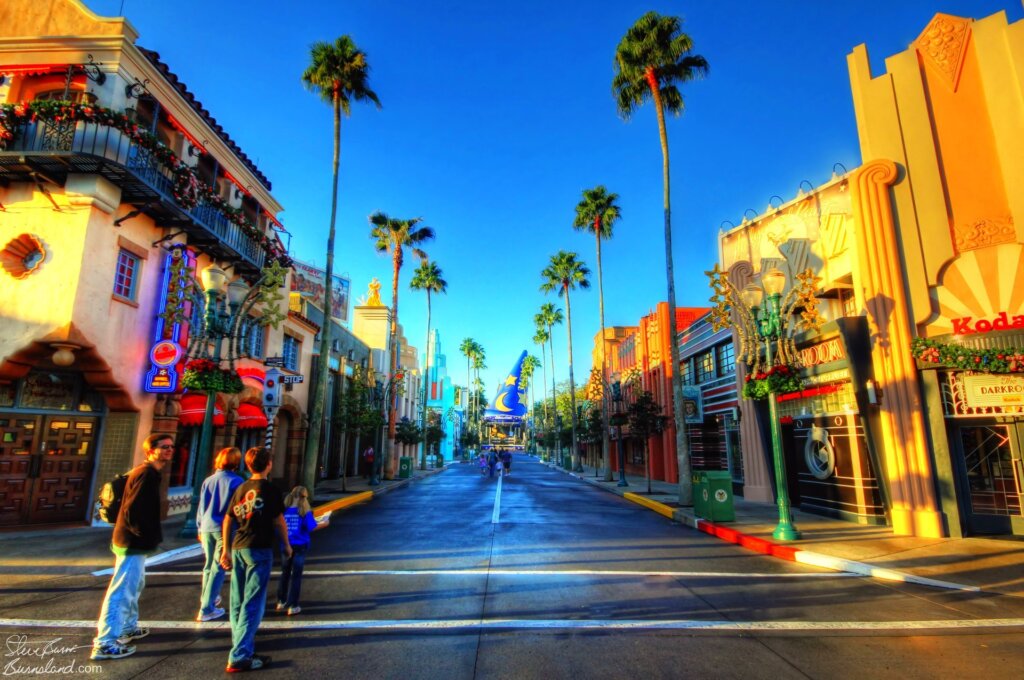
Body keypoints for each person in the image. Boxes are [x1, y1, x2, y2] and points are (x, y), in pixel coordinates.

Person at [91, 433, 173, 661]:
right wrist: (143, 534)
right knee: (123, 589)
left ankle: (127, 626)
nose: (169, 449)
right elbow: (132, 510)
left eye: (171, 446)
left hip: (132, 539)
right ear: (151, 450)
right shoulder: (146, 474)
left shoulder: (148, 473)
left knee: (135, 584)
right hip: (131, 541)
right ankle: (105, 642)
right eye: (164, 446)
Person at [220, 447, 291, 673]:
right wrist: (287, 546)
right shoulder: (270, 489)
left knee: (238, 602)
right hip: (259, 549)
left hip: (239, 547)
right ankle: (240, 655)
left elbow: (228, 519)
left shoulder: (241, 487)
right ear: (268, 464)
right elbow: (279, 521)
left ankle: (242, 647)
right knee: (253, 603)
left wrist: (225, 550)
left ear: (249, 465)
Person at [195, 447, 244, 623]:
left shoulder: (208, 480)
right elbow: (238, 510)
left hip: (207, 526)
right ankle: (206, 608)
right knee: (219, 566)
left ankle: (208, 598)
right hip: (224, 529)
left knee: (209, 566)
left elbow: (201, 507)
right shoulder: (237, 482)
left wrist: (199, 527)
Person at [275, 486, 327, 616]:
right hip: (300, 546)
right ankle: (293, 605)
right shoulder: (304, 512)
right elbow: (311, 527)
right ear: (305, 497)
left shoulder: (284, 510)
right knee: (296, 575)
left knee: (285, 573)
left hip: (286, 545)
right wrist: (325, 522)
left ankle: (281, 601)